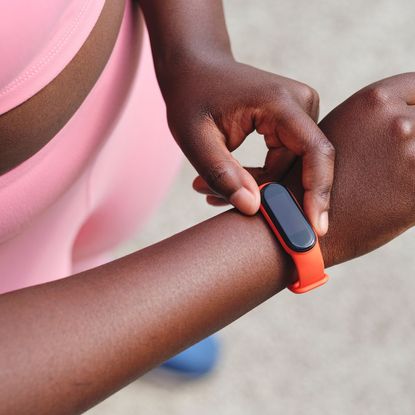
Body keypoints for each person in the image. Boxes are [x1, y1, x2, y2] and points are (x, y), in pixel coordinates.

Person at [1, 71, 415, 414]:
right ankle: (125, 330)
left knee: (82, 245)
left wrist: (194, 49)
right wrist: (276, 241)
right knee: (38, 283)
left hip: (120, 106)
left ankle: (116, 298)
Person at [0, 0, 335, 375]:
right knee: (52, 345)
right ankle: (125, 329)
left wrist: (199, 52)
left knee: (99, 256)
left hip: (135, 95)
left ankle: (120, 305)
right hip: (11, 251)